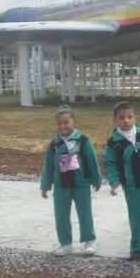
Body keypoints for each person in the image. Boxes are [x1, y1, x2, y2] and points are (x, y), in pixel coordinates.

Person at [103, 101, 140, 261]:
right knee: (135, 217)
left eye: (130, 117)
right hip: (132, 187)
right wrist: (114, 180)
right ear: (115, 120)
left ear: (134, 118)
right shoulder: (114, 142)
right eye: (121, 118)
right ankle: (136, 246)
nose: (126, 121)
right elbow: (110, 163)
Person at [40, 105, 102, 257]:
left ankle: (89, 240)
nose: (63, 126)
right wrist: (45, 185)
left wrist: (96, 179)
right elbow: (48, 165)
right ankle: (65, 243)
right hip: (61, 186)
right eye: (60, 123)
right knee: (61, 214)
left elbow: (91, 160)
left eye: (66, 122)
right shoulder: (54, 144)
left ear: (74, 122)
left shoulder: (82, 140)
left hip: (81, 184)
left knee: (84, 213)